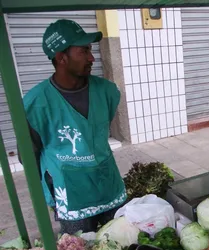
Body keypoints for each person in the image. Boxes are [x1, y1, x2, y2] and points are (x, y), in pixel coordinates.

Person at [18, 19, 127, 234]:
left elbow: (98, 128)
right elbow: (29, 155)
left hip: (107, 183)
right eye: (83, 51)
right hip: (70, 191)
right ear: (61, 58)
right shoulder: (35, 104)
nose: (92, 58)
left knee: (122, 244)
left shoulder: (107, 91)